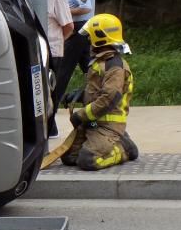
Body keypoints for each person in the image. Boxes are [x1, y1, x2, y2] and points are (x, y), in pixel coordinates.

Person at [58, 13, 139, 171]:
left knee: (88, 160)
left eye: (90, 36)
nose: (88, 40)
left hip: (108, 125)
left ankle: (124, 149)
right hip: (93, 122)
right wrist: (79, 95)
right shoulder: (100, 62)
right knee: (69, 157)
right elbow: (98, 92)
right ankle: (115, 142)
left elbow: (109, 98)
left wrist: (81, 115)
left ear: (100, 37)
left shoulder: (114, 66)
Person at [24, 0, 74, 138]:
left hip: (52, 50)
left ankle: (50, 128)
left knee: (50, 91)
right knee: (35, 89)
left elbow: (68, 26)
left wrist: (56, 41)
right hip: (32, 49)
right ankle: (41, 128)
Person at [52, 0, 96, 118]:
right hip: (83, 29)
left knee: (63, 69)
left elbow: (85, 7)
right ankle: (100, 97)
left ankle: (51, 108)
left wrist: (62, 12)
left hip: (78, 29)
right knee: (90, 68)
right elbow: (67, 1)